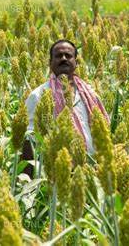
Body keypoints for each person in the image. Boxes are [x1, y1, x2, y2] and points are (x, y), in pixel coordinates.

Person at [22, 39, 110, 177]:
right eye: (58, 56)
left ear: (76, 62)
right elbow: (29, 140)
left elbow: (104, 132)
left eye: (68, 56)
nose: (63, 58)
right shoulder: (38, 96)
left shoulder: (91, 95)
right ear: (50, 63)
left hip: (93, 172)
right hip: (58, 173)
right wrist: (26, 183)